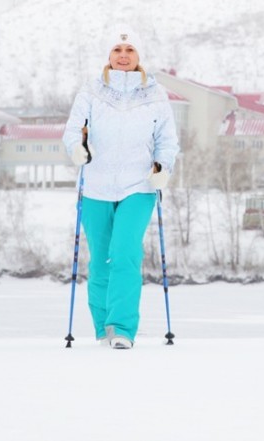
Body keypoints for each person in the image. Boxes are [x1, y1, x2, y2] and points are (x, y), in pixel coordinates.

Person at [62, 24, 178, 349]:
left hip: (139, 186)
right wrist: (76, 148)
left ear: (139, 56)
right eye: (117, 50)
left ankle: (122, 329)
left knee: (124, 254)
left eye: (130, 50)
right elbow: (73, 130)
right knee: (101, 260)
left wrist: (163, 167)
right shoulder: (91, 91)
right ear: (109, 55)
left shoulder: (155, 94)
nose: (123, 56)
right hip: (95, 186)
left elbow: (167, 140)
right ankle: (104, 329)